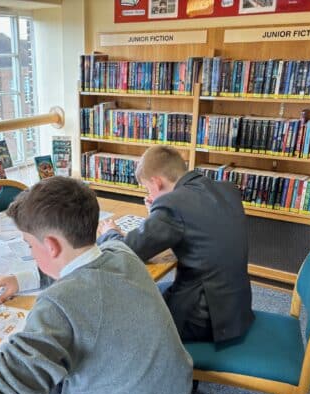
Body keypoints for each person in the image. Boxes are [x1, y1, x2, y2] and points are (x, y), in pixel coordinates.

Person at [0, 176, 193, 394]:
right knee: (55, 374)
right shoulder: (121, 253)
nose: (31, 252)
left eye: (29, 245)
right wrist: (21, 278)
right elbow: (84, 264)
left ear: (51, 245)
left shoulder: (59, 303)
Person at [98, 145, 253, 343]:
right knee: (153, 291)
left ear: (156, 182)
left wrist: (109, 232)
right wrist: (156, 215)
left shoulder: (172, 205)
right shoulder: (226, 189)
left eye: (147, 188)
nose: (149, 195)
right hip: (236, 309)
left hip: (203, 319)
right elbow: (193, 229)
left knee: (122, 309)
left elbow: (125, 252)